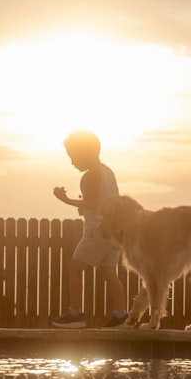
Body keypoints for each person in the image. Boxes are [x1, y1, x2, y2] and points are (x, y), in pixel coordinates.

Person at [52, 130, 129, 328]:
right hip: (114, 230)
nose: (72, 162)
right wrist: (83, 206)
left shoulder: (89, 176)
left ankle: (75, 314)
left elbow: (94, 203)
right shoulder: (107, 172)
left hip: (97, 231)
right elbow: (105, 201)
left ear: (85, 153)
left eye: (73, 157)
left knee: (74, 269)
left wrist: (65, 200)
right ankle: (121, 316)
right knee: (109, 272)